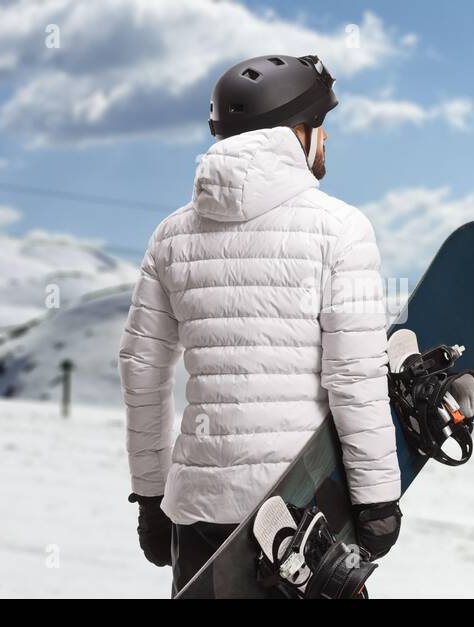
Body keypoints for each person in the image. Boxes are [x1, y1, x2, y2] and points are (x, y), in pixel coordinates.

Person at [118, 54, 402, 594]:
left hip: (199, 515)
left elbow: (142, 371)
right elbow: (355, 374)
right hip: (303, 517)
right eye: (320, 126)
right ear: (296, 133)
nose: (326, 140)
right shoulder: (341, 230)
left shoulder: (170, 236)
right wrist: (376, 496)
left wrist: (151, 498)